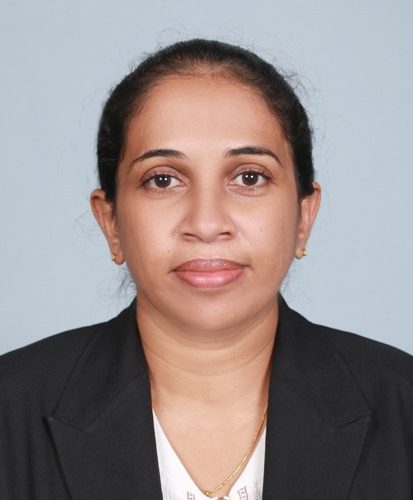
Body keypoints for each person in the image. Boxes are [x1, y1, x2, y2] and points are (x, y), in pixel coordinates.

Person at [0, 39, 412, 500]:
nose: (207, 223)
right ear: (111, 221)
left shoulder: (403, 406)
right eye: (163, 180)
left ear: (304, 216)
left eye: (249, 177)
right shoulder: (10, 412)